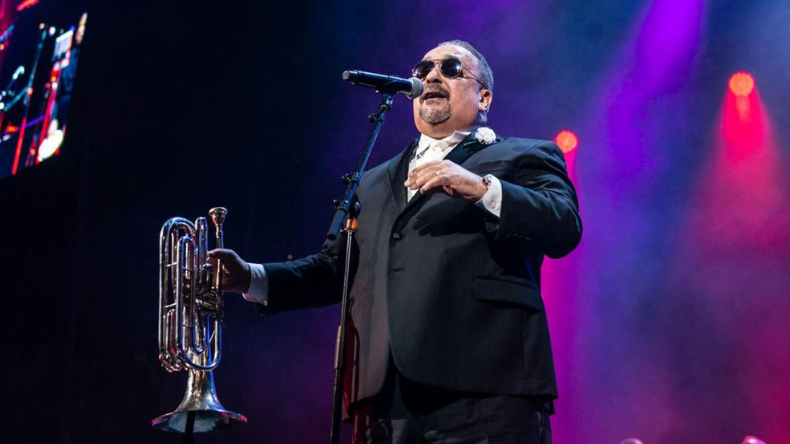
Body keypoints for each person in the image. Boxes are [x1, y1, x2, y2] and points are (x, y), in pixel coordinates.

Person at [209, 40, 582, 444]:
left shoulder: (525, 155)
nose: (432, 75)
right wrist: (251, 277)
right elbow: (333, 270)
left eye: (451, 68)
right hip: (383, 403)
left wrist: (479, 188)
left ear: (484, 97)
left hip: (486, 386)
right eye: (423, 69)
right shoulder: (370, 182)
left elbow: (562, 225)